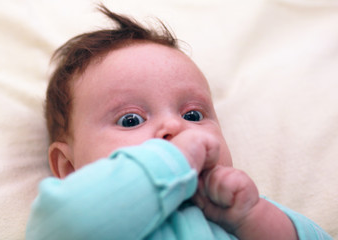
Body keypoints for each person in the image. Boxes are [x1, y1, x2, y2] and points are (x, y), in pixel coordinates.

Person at [26, 5, 332, 240]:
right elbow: (62, 223)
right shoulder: (83, 217)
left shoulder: (235, 209)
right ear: (68, 168)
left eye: (193, 115)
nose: (176, 127)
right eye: (131, 120)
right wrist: (176, 159)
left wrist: (253, 217)